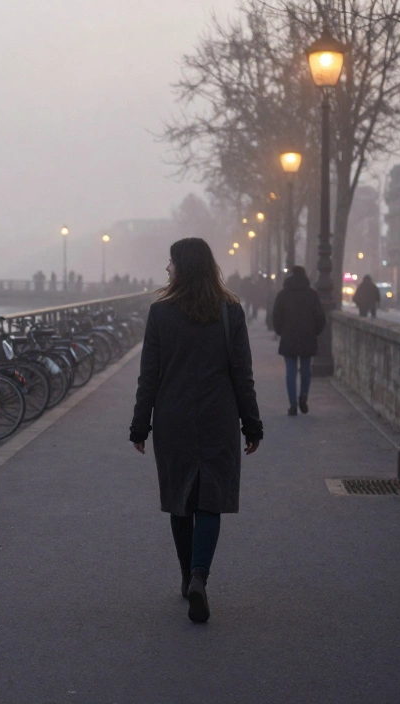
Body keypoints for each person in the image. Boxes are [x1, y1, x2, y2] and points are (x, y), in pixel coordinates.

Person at [129, 237, 263, 624]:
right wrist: (251, 424)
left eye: (170, 262)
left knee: (179, 499)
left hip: (174, 419)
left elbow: (148, 377)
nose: (167, 269)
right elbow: (243, 376)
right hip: (218, 418)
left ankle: (187, 576)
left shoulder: (160, 314)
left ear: (182, 268)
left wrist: (140, 425)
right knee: (210, 501)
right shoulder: (230, 313)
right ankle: (201, 575)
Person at [271, 266, 326, 416]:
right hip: (307, 336)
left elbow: (276, 316)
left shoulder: (283, 295)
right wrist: (315, 332)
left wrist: (280, 331)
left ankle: (293, 404)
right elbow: (320, 317)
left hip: (289, 336)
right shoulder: (312, 295)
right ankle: (303, 396)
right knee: (306, 368)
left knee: (290, 370)